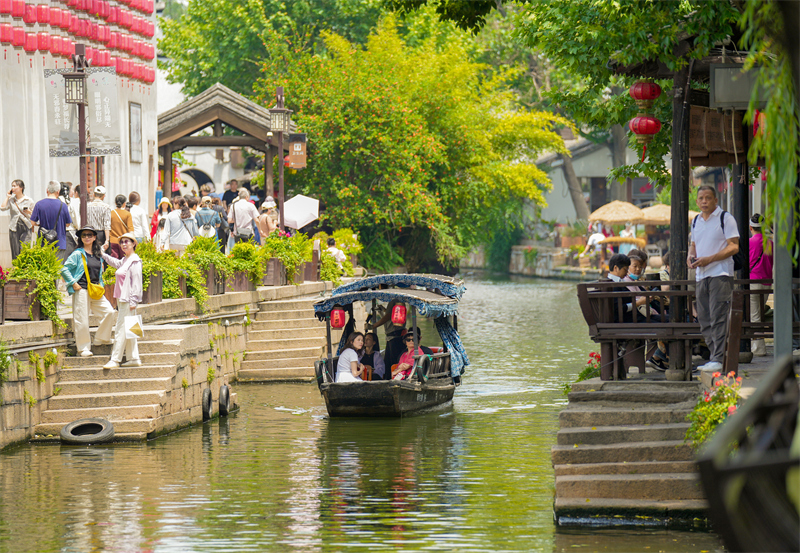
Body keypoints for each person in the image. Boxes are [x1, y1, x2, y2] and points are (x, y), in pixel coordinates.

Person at [688, 185, 740, 373]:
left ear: (715, 200)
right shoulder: (695, 221)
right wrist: (690, 255)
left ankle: (718, 358)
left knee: (718, 316)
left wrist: (710, 258)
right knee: (704, 317)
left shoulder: (726, 218)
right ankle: (714, 356)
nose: (704, 201)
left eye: (708, 198)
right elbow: (693, 245)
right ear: (697, 201)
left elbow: (734, 247)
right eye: (701, 198)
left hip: (720, 274)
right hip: (701, 275)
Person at [61, 226, 115, 357]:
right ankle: (83, 348)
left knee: (109, 312)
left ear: (95, 237)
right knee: (82, 319)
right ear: (81, 238)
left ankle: (101, 338)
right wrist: (73, 283)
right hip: (82, 290)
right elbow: (64, 269)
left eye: (89, 235)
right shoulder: (77, 253)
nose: (87, 237)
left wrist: (101, 285)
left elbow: (100, 272)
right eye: (84, 235)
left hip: (95, 290)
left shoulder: (98, 254)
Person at [101, 232, 142, 369]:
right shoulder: (126, 260)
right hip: (123, 299)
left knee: (121, 329)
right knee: (131, 327)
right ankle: (134, 357)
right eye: (122, 242)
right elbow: (115, 263)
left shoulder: (135, 261)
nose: (124, 244)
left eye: (127, 242)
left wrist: (133, 301)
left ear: (133, 244)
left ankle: (115, 359)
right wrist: (102, 254)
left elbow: (137, 282)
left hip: (127, 300)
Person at [748, 213, 773, 356]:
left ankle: (758, 348)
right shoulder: (771, 243)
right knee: (760, 314)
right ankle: (758, 346)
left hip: (753, 281)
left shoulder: (749, 242)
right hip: (767, 282)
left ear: (751, 227)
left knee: (755, 316)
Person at [31, 181, 72, 260]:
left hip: (43, 242)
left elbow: (33, 222)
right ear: (58, 191)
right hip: (59, 242)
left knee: (44, 267)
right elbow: (68, 224)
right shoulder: (63, 205)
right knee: (58, 269)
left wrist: (40, 224)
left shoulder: (39, 204)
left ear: (47, 190)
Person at [0, 179, 34, 259]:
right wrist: (7, 197)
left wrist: (29, 212)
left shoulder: (29, 200)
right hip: (14, 227)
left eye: (15, 186)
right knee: (15, 250)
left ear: (21, 187)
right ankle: (16, 268)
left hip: (26, 226)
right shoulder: (11, 200)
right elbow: (2, 208)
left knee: (25, 249)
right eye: (12, 186)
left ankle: (24, 268)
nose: (13, 188)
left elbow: (35, 215)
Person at [109, 194, 134, 259]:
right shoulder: (127, 214)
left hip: (113, 241)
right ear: (124, 203)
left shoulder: (111, 213)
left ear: (115, 203)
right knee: (124, 261)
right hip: (124, 242)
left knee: (114, 261)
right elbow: (130, 228)